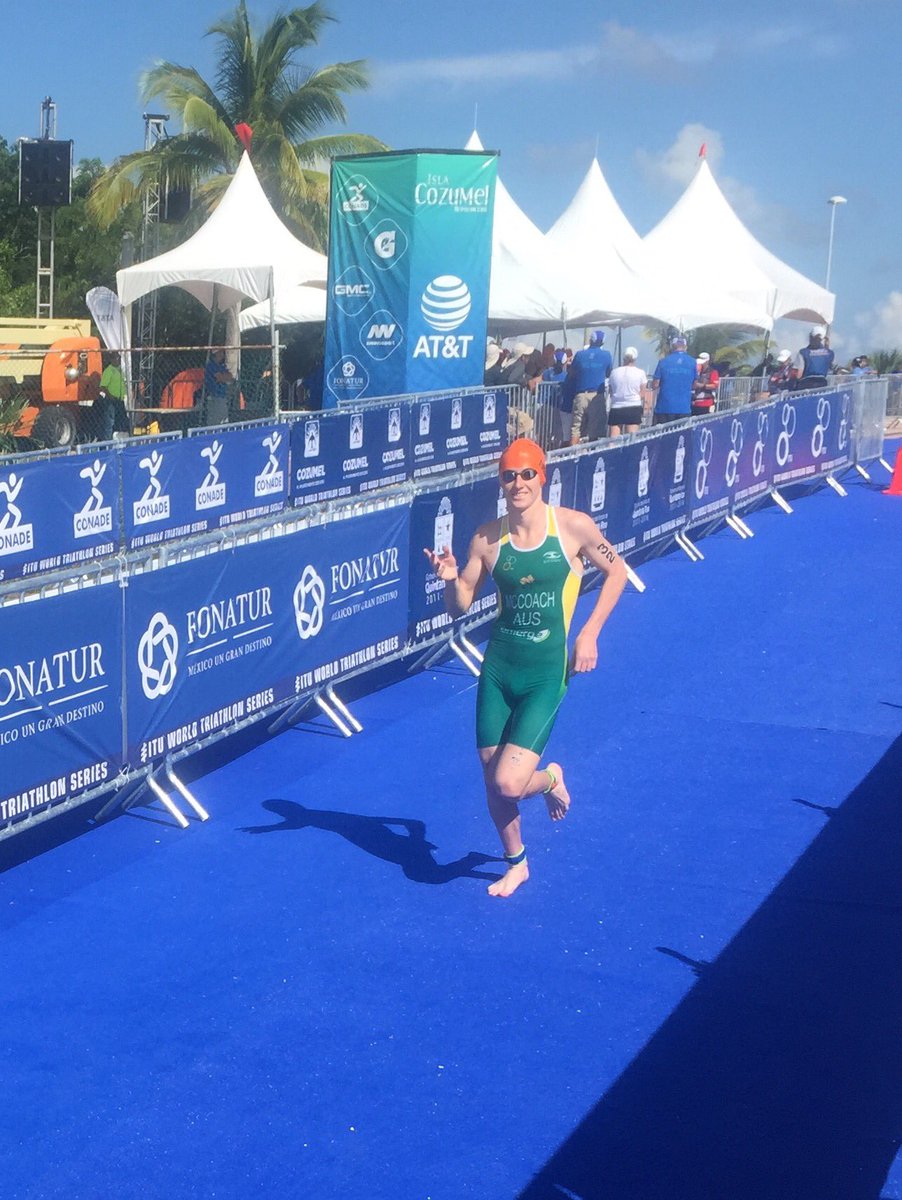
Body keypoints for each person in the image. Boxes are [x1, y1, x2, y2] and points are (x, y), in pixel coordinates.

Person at [423, 438, 627, 899]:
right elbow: (458, 608)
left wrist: (590, 633)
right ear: (500, 481)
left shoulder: (573, 527)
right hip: (498, 670)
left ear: (543, 475)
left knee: (509, 782)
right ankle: (517, 864)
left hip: (544, 673)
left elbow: (618, 572)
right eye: (509, 476)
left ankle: (551, 777)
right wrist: (451, 579)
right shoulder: (485, 538)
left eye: (526, 474)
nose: (518, 483)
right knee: (491, 777)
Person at [569, 331, 612, 444]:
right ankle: (592, 454)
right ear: (602, 342)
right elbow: (608, 373)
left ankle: (572, 455)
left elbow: (572, 372)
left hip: (580, 394)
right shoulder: (606, 355)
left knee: (576, 428)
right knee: (595, 429)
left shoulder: (579, 354)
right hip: (596, 396)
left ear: (590, 340)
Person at [650, 334, 695, 423]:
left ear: (672, 346)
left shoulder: (663, 362)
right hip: (684, 408)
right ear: (685, 346)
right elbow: (694, 383)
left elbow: (655, 384)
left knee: (662, 435)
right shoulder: (693, 362)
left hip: (664, 407)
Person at [607, 346, 647, 436]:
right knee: (632, 438)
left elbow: (610, 391)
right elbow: (643, 394)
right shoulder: (640, 373)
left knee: (613, 440)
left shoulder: (614, 372)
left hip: (616, 406)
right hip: (633, 406)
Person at [203, 348, 234, 425]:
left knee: (224, 420)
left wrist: (224, 377)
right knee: (215, 421)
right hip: (214, 396)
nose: (222, 355)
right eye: (220, 353)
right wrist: (224, 377)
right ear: (216, 354)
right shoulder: (211, 366)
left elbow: (230, 377)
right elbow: (220, 378)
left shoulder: (222, 366)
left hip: (222, 396)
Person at [691, 352, 720, 416]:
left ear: (707, 361)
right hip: (694, 402)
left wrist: (703, 386)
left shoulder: (713, 372)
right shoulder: (696, 371)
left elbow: (715, 385)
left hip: (706, 403)